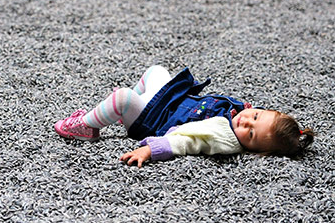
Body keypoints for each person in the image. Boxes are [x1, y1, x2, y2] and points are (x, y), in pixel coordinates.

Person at [54, 65, 315, 167]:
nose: (246, 122)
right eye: (255, 116)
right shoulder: (238, 113)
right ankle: (122, 111)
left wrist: (149, 150)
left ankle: (86, 126)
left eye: (250, 133)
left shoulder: (220, 135)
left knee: (123, 97)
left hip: (152, 122)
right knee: (157, 71)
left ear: (253, 149)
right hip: (168, 103)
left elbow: (184, 140)